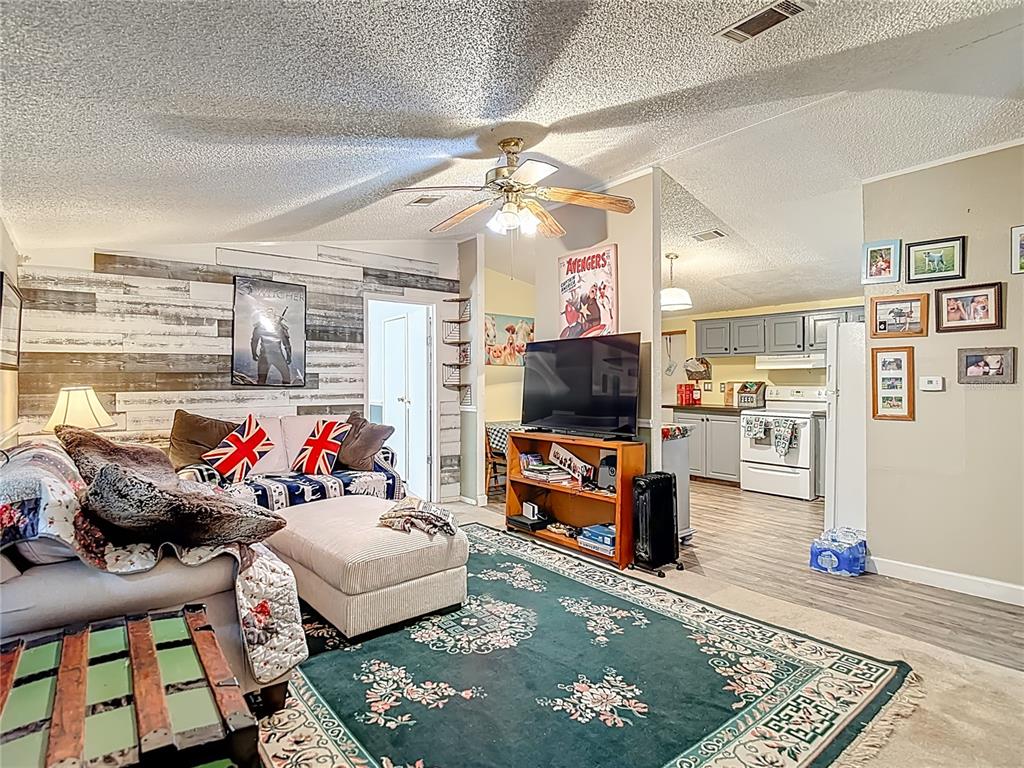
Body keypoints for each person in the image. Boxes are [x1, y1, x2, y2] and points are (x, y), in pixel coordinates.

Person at [251, 306, 293, 385]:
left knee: (286, 377)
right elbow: (254, 341)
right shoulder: (260, 326)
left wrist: (254, 353)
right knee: (262, 380)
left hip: (272, 355)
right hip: (269, 355)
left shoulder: (280, 327)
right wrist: (288, 356)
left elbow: (286, 344)